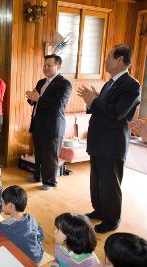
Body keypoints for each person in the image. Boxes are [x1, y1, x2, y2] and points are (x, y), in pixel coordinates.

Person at [77, 44, 141, 233]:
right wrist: (94, 100)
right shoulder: (109, 83)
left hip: (112, 143)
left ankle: (112, 220)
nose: (105, 61)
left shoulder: (131, 85)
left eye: (109, 57)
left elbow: (117, 113)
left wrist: (94, 101)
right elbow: (102, 107)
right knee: (96, 180)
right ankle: (99, 210)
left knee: (110, 183)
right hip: (98, 140)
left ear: (120, 60)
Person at [26, 54, 72, 190]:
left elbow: (58, 104)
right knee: (39, 153)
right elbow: (34, 101)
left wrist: (38, 98)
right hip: (38, 123)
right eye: (44, 65)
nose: (45, 68)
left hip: (53, 125)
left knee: (50, 155)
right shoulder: (41, 82)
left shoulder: (64, 83)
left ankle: (50, 182)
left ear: (58, 66)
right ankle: (37, 176)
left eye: (49, 65)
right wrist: (31, 98)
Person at [0, 185, 44, 264]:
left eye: (2, 202)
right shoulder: (31, 219)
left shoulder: (3, 227)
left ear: (10, 206)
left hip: (25, 261)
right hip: (38, 256)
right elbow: (40, 236)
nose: (1, 203)